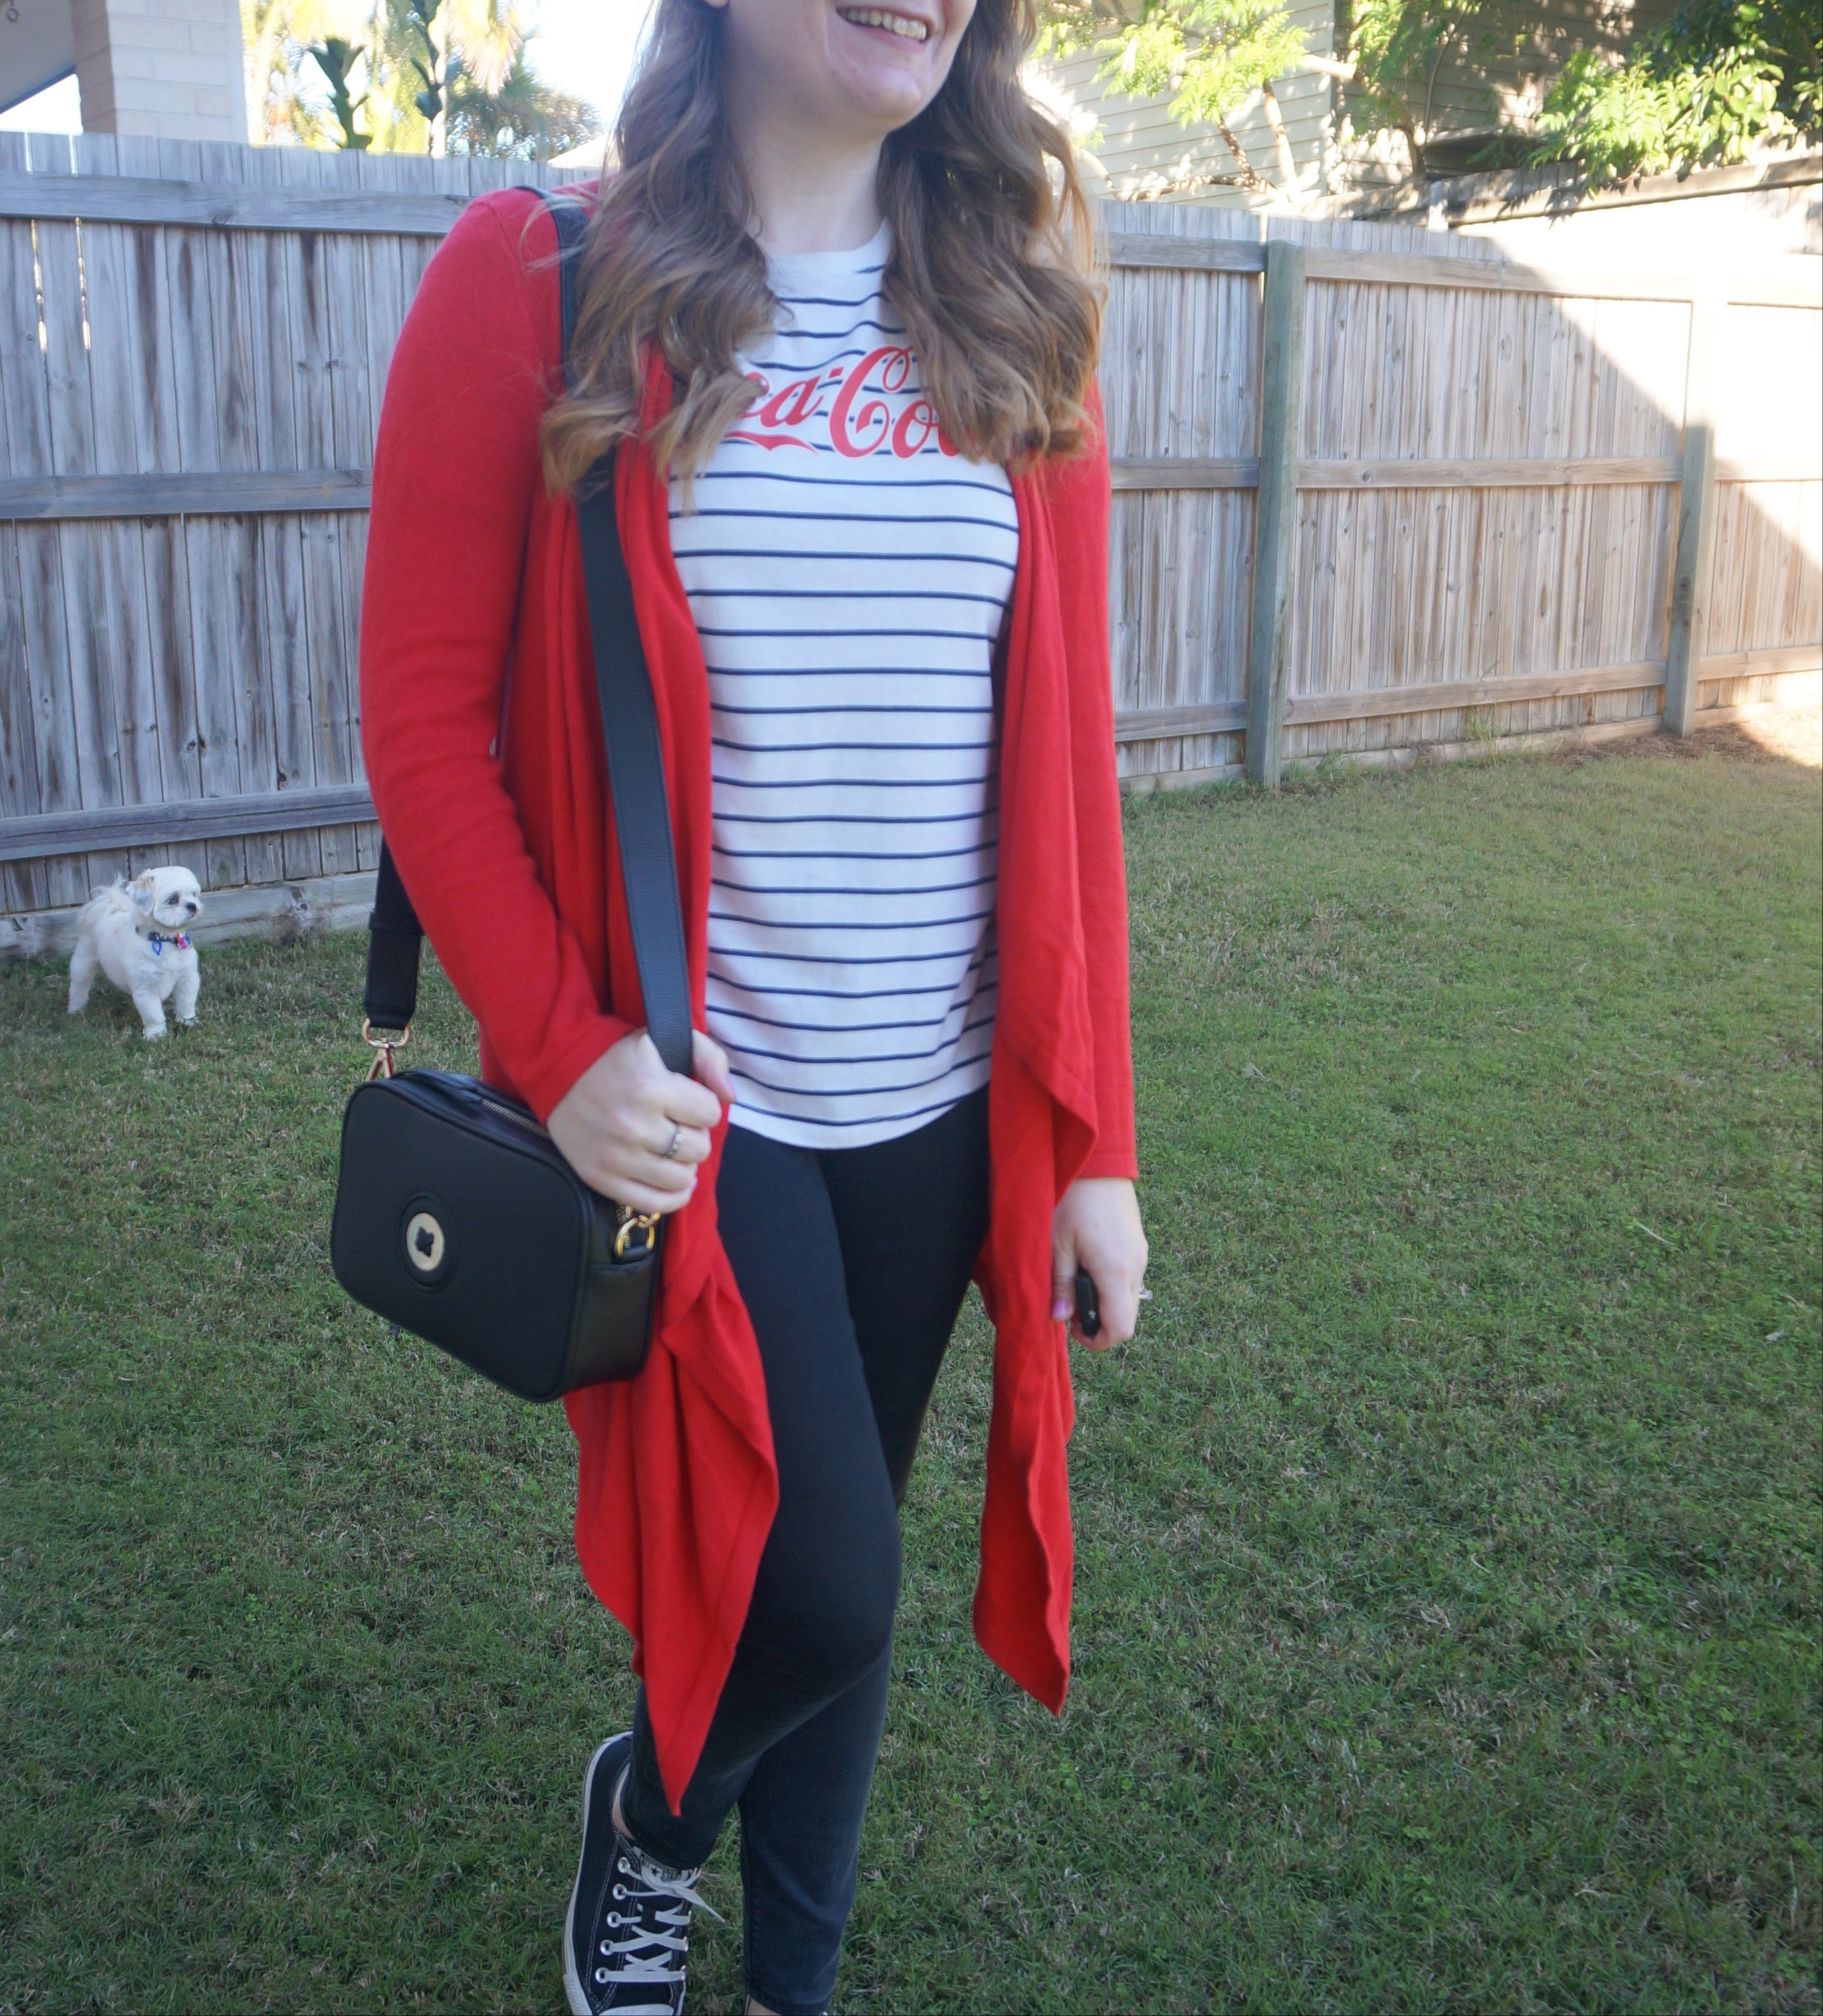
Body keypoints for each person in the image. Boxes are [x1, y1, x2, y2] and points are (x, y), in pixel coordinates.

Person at [359, 0, 1148, 2004]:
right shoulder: (538, 278)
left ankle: (788, 1975)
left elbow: (1063, 768)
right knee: (819, 1579)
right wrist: (563, 1050)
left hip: (942, 1101)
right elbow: (423, 729)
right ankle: (646, 1824)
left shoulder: (1011, 319)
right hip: (707, 1110)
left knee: (832, 1568)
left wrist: (1092, 1147)